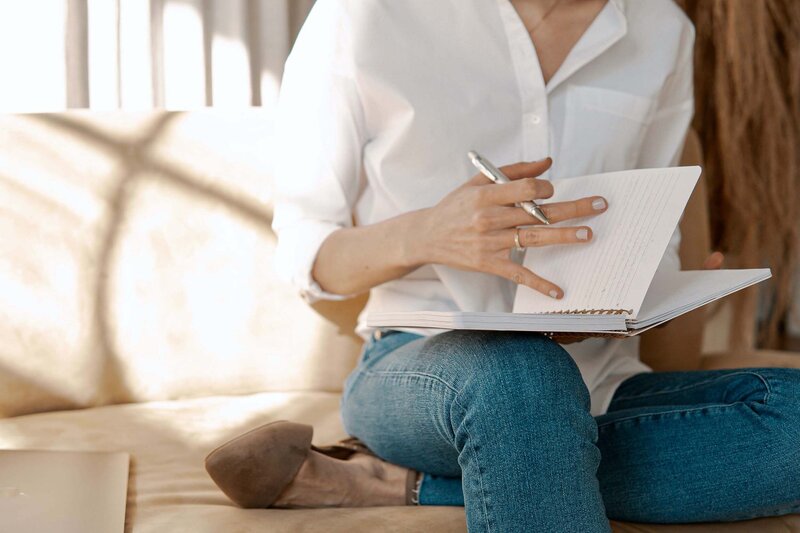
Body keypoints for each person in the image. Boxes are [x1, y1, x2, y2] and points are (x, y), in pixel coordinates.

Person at [204, 1, 800, 531]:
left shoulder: (661, 28)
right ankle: (513, 455)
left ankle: (399, 483)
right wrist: (426, 233)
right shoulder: (364, 15)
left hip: (601, 378)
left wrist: (656, 290)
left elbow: (653, 233)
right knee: (521, 373)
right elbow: (310, 258)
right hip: (421, 364)